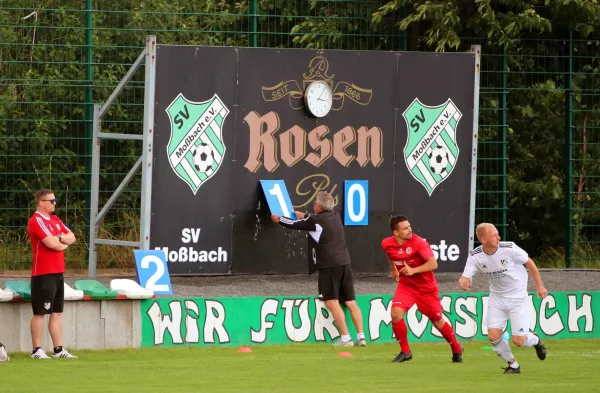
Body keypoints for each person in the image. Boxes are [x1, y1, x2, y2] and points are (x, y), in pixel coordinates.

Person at [270, 191, 366, 347]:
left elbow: (294, 225)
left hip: (329, 265)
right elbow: (314, 220)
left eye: (315, 203)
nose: (313, 205)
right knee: (350, 301)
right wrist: (304, 215)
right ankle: (361, 337)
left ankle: (346, 338)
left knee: (331, 301)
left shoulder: (315, 220)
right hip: (345, 263)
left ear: (319, 206)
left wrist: (278, 219)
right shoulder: (335, 216)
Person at [459, 223, 547, 374]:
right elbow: (464, 277)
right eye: (494, 235)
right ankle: (513, 365)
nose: (499, 237)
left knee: (519, 341)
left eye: (498, 234)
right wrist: (463, 283)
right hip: (497, 298)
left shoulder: (509, 248)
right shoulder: (475, 256)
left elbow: (530, 263)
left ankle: (535, 340)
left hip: (517, 297)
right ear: (483, 239)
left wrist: (540, 286)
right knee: (493, 336)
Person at [381, 215, 463, 363]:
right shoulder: (387, 243)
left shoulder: (418, 243)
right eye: (405, 228)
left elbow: (433, 264)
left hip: (426, 288)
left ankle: (457, 348)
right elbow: (389, 253)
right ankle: (405, 352)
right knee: (395, 314)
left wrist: (413, 270)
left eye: (409, 226)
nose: (409, 230)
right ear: (396, 233)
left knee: (437, 320)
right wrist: (393, 268)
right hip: (407, 285)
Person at [27, 189, 77, 359]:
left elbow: (72, 237)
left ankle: (58, 349)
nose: (55, 203)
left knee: (57, 312)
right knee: (40, 312)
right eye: (51, 200)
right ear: (41, 202)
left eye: (55, 200)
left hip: (58, 272)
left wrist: (60, 239)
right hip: (43, 273)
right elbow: (52, 244)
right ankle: (37, 350)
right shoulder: (36, 221)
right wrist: (62, 242)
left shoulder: (55, 220)